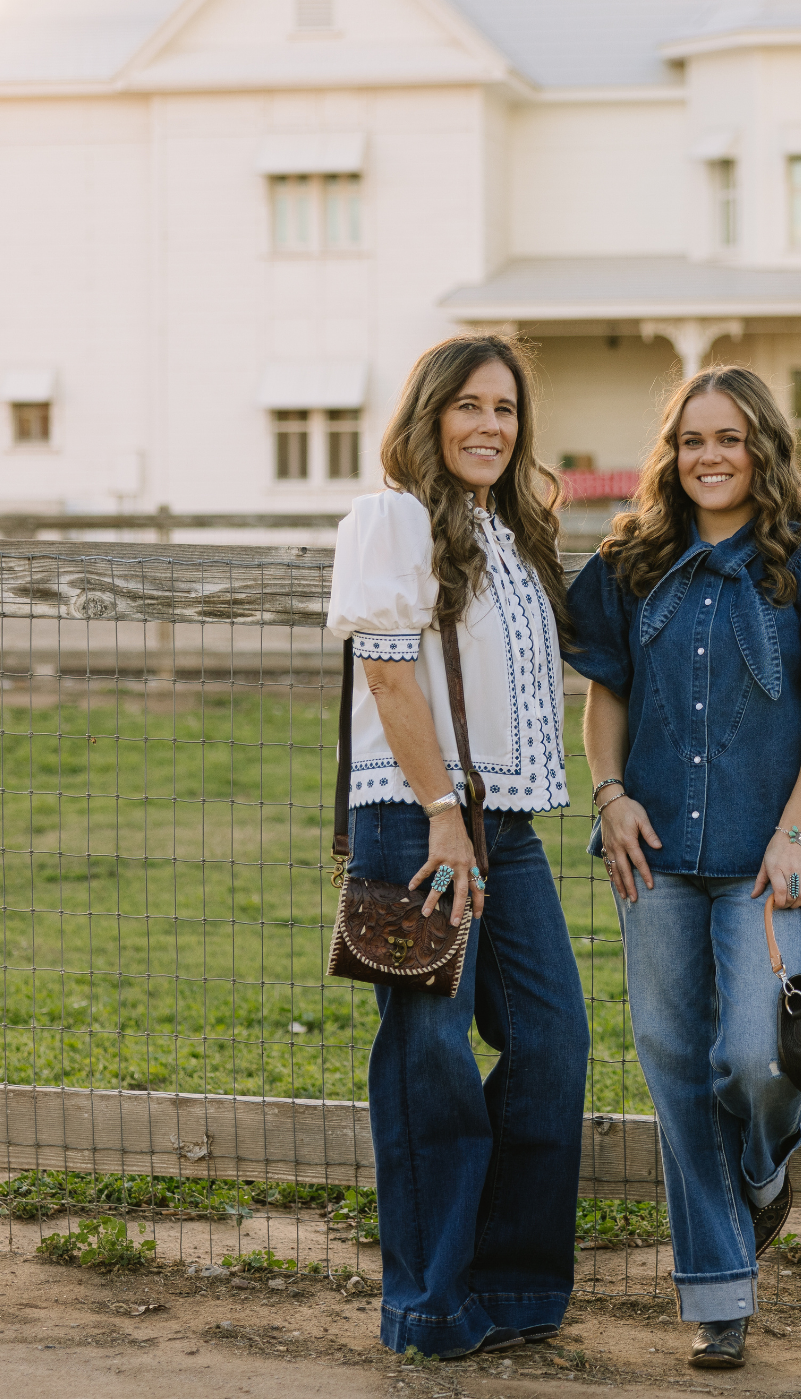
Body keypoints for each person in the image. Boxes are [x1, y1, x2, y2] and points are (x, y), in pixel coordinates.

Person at [566, 364, 801, 1369]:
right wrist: (610, 794)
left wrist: (797, 831)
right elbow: (605, 700)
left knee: (757, 1053)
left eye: (729, 437)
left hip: (772, 858)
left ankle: (766, 1168)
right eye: (690, 439)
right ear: (671, 455)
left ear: (763, 446)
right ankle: (719, 1295)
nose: (708, 455)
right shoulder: (631, 561)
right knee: (675, 1064)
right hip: (656, 850)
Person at [324, 335, 588, 1359]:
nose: (490, 425)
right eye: (470, 405)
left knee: (551, 1040)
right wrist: (440, 808)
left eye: (507, 410)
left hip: (504, 824)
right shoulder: (390, 518)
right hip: (420, 814)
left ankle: (514, 1284)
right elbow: (389, 675)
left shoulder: (510, 533)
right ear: (430, 414)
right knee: (429, 1056)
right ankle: (428, 1304)